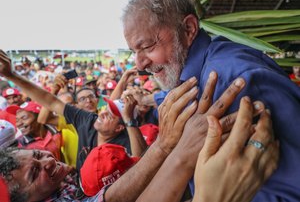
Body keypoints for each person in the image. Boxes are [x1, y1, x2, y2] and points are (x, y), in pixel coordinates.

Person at [121, 0, 300, 201]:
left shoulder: (232, 81)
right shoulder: (189, 78)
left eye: (147, 47)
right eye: (134, 52)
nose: (139, 65)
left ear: (188, 29)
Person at [0, 73, 279, 202]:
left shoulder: (66, 179)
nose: (46, 161)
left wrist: (170, 146)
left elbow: (110, 199)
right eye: (35, 173)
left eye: (38, 155)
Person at [0, 51, 147, 171]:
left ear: (121, 127)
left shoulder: (126, 142)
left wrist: (130, 121)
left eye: (109, 114)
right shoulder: (88, 120)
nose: (101, 112)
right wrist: (11, 75)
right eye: (105, 109)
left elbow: (142, 166)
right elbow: (50, 101)